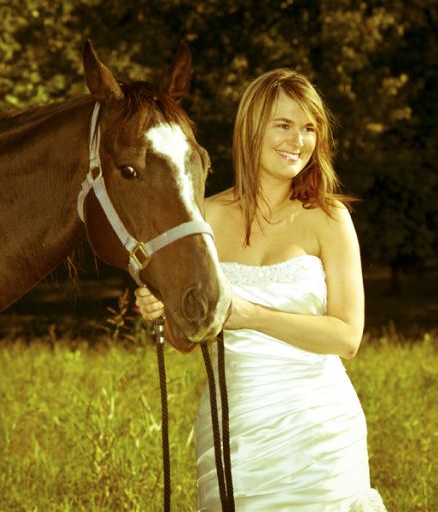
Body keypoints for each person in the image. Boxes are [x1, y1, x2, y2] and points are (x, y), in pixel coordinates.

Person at [135, 69, 386, 511]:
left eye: (309, 128)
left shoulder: (328, 219)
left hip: (321, 432)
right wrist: (163, 311)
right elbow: (185, 339)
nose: (298, 141)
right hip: (235, 434)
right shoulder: (203, 218)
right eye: (284, 125)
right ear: (252, 128)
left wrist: (251, 315)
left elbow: (348, 337)